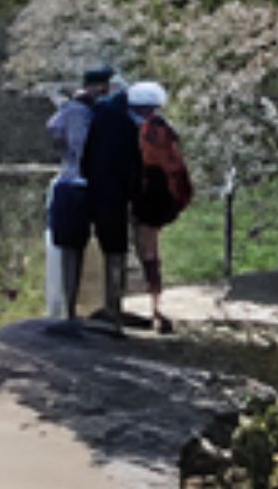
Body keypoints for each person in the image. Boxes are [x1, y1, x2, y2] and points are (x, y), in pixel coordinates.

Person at [43, 67, 112, 320]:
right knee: (85, 249)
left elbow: (53, 130)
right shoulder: (94, 112)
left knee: (69, 249)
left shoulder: (70, 110)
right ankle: (81, 306)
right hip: (87, 184)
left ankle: (69, 308)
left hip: (69, 182)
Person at [126, 81, 194, 333]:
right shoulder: (166, 131)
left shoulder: (138, 131)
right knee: (151, 249)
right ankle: (156, 303)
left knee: (146, 250)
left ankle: (152, 304)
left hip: (145, 193)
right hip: (162, 194)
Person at [79, 78, 141, 336]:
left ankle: (106, 305)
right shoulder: (127, 124)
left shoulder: (98, 120)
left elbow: (86, 158)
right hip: (119, 193)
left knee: (105, 246)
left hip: (97, 191)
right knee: (118, 249)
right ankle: (115, 303)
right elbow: (134, 162)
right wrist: (134, 191)